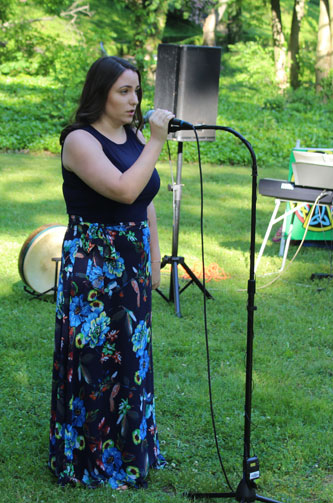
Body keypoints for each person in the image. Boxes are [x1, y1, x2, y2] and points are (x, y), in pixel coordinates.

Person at [48, 55, 175, 489]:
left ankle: (131, 448)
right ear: (99, 92)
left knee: (130, 357)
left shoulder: (132, 135)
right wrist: (157, 141)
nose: (134, 100)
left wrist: (155, 255)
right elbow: (124, 189)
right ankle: (88, 459)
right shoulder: (80, 141)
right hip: (95, 267)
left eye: (137, 90)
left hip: (133, 260)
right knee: (95, 361)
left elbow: (145, 198)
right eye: (124, 90)